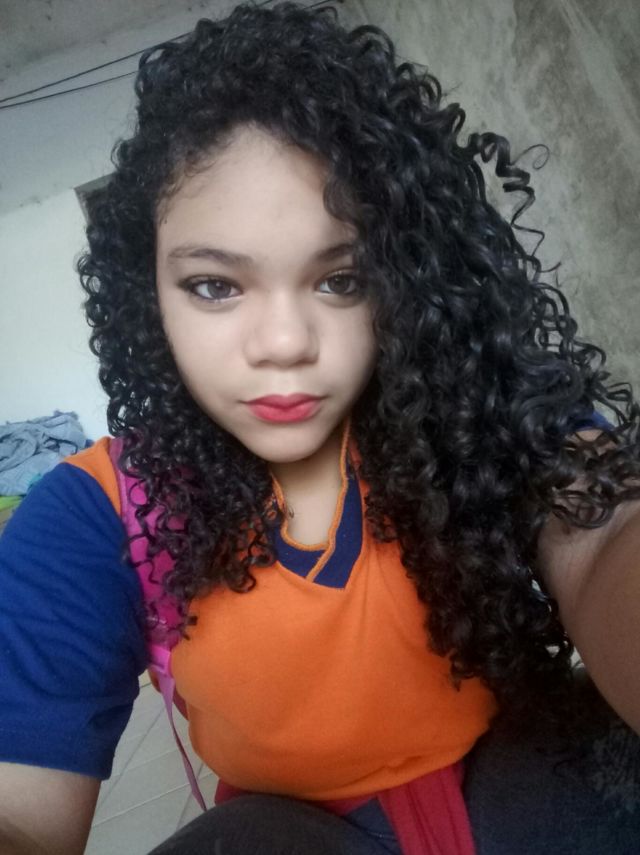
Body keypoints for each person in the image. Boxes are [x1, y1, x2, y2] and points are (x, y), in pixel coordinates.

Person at [1, 2, 639, 853]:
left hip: (538, 787)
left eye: (340, 279)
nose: (284, 343)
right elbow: (20, 810)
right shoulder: (93, 514)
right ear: (148, 296)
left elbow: (604, 536)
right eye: (215, 286)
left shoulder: (478, 403)